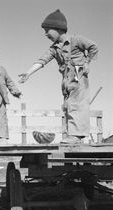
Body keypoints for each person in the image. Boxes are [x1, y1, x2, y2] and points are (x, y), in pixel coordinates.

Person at [19, 9, 98, 144]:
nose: (45, 34)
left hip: (78, 79)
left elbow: (93, 47)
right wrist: (28, 73)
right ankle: (73, 136)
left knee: (76, 105)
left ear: (58, 28)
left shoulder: (76, 40)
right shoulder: (54, 49)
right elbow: (42, 61)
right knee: (68, 106)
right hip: (66, 82)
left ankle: (76, 136)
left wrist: (87, 62)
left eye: (47, 30)